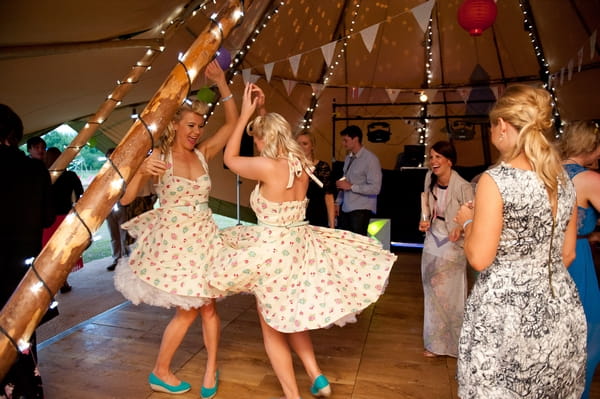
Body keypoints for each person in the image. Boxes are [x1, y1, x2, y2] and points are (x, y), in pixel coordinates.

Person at [209, 83, 397, 399]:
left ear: (265, 138)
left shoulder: (268, 168)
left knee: (271, 326)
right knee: (291, 317)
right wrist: (264, 113)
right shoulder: (300, 165)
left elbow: (229, 158)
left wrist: (245, 114)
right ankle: (316, 376)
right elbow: (276, 142)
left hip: (273, 253)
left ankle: (293, 396)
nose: (254, 143)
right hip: (298, 248)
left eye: (257, 138)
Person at [113, 59, 236, 397]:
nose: (196, 132)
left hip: (204, 239)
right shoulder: (159, 155)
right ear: (176, 125)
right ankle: (160, 371)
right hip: (175, 244)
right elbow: (125, 200)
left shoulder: (203, 153)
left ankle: (210, 370)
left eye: (199, 126)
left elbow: (233, 122)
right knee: (189, 309)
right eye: (191, 125)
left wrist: (222, 83)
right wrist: (140, 171)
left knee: (208, 306)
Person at [454, 85, 586, 398]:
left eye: (491, 127)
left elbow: (479, 258)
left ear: (502, 126)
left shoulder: (497, 180)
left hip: (506, 317)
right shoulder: (563, 181)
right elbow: (567, 254)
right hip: (560, 310)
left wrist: (467, 221)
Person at [1, 104, 55, 398]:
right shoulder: (34, 169)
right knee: (22, 332)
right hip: (23, 266)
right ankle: (24, 388)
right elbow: (47, 216)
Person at [417, 140, 472, 358]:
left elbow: (472, 218)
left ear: (450, 161)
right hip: (433, 237)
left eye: (438, 157)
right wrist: (424, 220)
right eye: (431, 157)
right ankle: (433, 344)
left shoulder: (463, 186)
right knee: (431, 288)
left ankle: (454, 345)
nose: (433, 161)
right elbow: (426, 205)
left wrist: (460, 227)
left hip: (453, 241)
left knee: (451, 292)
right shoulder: (429, 178)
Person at [559, 120, 600, 399]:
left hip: (544, 261)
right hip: (577, 263)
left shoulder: (544, 172)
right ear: (591, 146)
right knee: (587, 337)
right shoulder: (588, 179)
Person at [42, 146, 84, 293]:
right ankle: (62, 280)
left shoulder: (44, 176)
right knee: (64, 251)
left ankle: (59, 281)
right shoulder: (70, 176)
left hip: (49, 218)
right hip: (65, 217)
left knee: (51, 253)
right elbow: (80, 193)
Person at [335, 125, 382, 236]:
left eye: (346, 140)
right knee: (347, 244)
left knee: (358, 244)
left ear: (355, 139)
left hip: (361, 209)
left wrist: (351, 186)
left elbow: (375, 188)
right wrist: (337, 202)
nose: (343, 143)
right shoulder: (348, 158)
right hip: (346, 208)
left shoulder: (370, 159)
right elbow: (345, 182)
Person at [295, 130, 336, 228]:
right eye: (298, 144)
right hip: (297, 218)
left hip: (319, 217)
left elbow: (329, 198)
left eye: (304, 144)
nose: (301, 147)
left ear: (312, 146)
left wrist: (332, 226)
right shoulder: (292, 167)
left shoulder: (323, 167)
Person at [104, 147, 131, 272]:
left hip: (122, 207)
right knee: (114, 235)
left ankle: (127, 259)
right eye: (109, 157)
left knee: (125, 234)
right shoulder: (104, 174)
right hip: (109, 208)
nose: (111, 159)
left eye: (113, 156)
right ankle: (117, 259)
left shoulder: (125, 171)